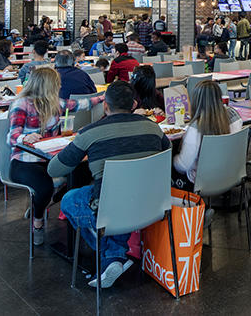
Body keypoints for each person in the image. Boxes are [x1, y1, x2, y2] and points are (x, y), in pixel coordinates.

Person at [50, 80, 170, 287]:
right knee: (114, 199)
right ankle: (114, 255)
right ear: (134, 104)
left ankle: (111, 253)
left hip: (111, 209)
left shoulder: (89, 133)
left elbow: (55, 169)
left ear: (105, 105)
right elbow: (166, 151)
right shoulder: (153, 128)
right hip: (152, 204)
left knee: (70, 199)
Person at [5, 67, 93, 246]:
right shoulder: (21, 104)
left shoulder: (54, 102)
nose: (60, 86)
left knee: (82, 174)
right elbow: (11, 136)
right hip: (24, 160)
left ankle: (45, 203)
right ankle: (37, 222)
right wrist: (25, 137)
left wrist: (105, 99)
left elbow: (81, 104)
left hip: (50, 159)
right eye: (57, 83)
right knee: (44, 187)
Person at [173, 80, 243, 189]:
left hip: (201, 182)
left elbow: (184, 165)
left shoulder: (196, 128)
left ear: (196, 101)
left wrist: (172, 160)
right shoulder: (235, 117)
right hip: (231, 174)